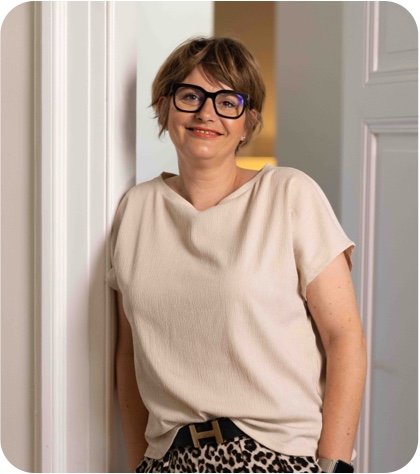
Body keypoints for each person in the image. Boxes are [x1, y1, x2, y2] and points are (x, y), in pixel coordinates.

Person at [106, 36, 367, 473]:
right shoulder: (135, 209)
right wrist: (139, 464)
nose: (206, 113)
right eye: (190, 96)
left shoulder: (289, 194)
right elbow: (128, 353)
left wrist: (335, 465)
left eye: (228, 101)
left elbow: (345, 338)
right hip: (169, 460)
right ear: (164, 108)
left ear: (248, 123)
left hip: (278, 458)